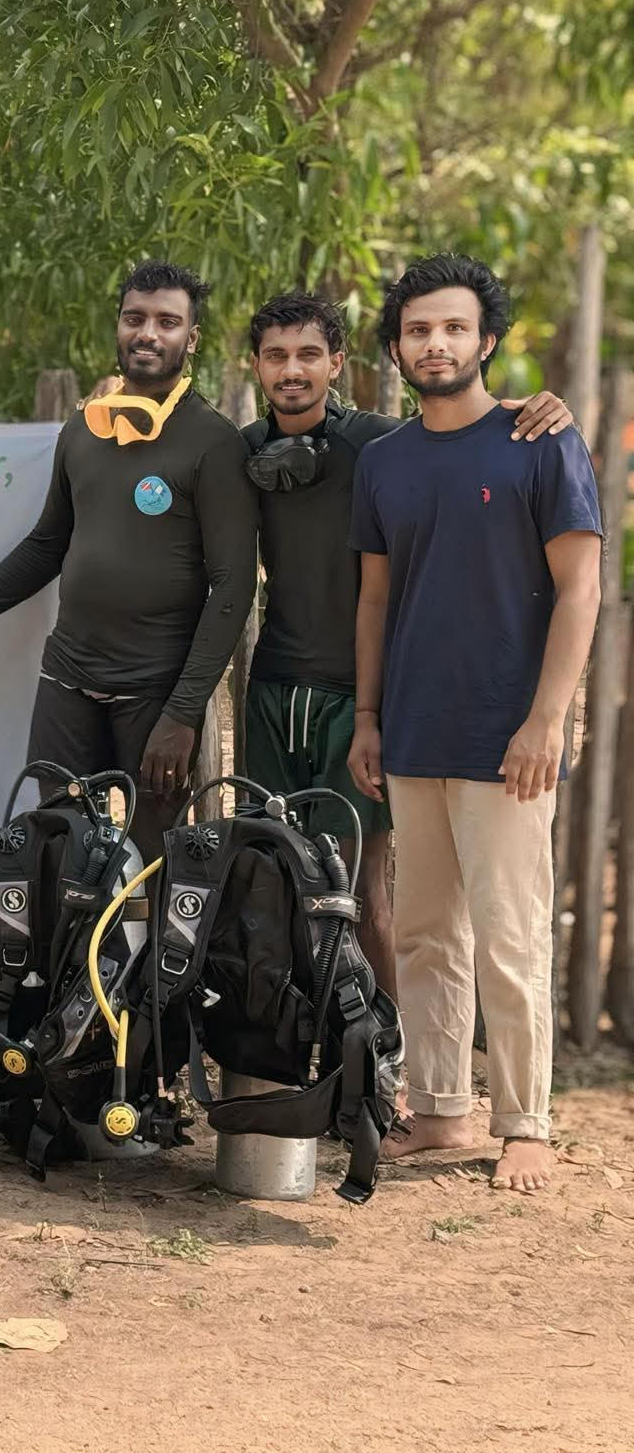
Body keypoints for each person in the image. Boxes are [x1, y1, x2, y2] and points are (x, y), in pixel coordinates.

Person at [348, 253, 602, 1194]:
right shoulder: (383, 462)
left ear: (486, 340)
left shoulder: (541, 442)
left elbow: (581, 589)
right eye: (418, 330)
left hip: (509, 738)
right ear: (396, 349)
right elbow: (375, 600)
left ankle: (526, 1123)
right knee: (425, 932)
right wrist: (368, 716)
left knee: (509, 932)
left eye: (454, 327)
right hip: (413, 729)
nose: (436, 344)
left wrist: (547, 720)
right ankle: (442, 1108)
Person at [239, 291, 572, 1003]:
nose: (292, 369)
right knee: (271, 884)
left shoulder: (381, 445)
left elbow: (458, 438)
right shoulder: (241, 452)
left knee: (368, 896)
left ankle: (387, 1054)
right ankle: (297, 1051)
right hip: (275, 686)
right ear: (255, 366)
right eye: (276, 355)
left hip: (363, 699)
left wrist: (542, 407)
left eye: (309, 354)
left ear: (338, 362)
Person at [0, 261, 257, 848]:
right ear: (118, 325)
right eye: (135, 318)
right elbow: (45, 548)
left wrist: (182, 713)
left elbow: (232, 585)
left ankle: (147, 919)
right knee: (59, 853)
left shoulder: (214, 442)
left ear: (192, 338)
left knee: (156, 861)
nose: (148, 333)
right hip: (67, 682)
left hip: (153, 695)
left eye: (167, 322)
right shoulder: (82, 432)